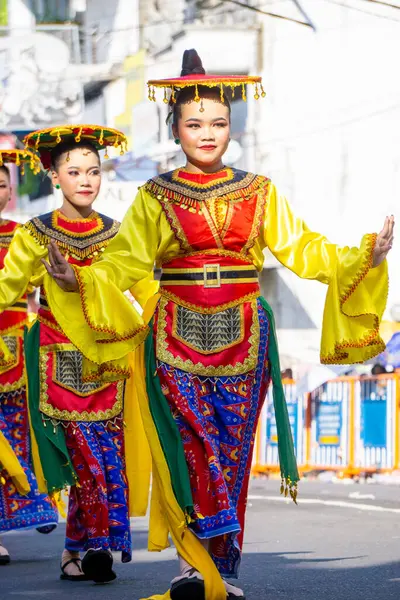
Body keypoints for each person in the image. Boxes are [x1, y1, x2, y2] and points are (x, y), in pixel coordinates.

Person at [42, 51, 393, 600]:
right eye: (194, 123)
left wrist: (363, 256)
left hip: (245, 335)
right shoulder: (155, 195)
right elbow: (126, 263)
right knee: (188, 448)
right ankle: (191, 565)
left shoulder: (259, 190)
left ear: (232, 127)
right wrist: (76, 278)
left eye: (219, 123)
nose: (208, 134)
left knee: (230, 451)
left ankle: (222, 569)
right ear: (176, 129)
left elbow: (303, 248)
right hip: (174, 334)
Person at [0, 127, 155, 583]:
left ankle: (75, 551)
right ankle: (97, 545)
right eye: (74, 172)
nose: (86, 180)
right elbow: (8, 287)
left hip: (106, 366)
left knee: (106, 455)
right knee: (84, 456)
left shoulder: (116, 234)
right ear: (54, 176)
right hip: (57, 361)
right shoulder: (35, 234)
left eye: (93, 171)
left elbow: (144, 288)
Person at [0, 150, 59, 565]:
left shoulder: (24, 236)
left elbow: (46, 291)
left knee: (21, 433)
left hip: (18, 351)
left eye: (1, 183)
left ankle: (33, 497)